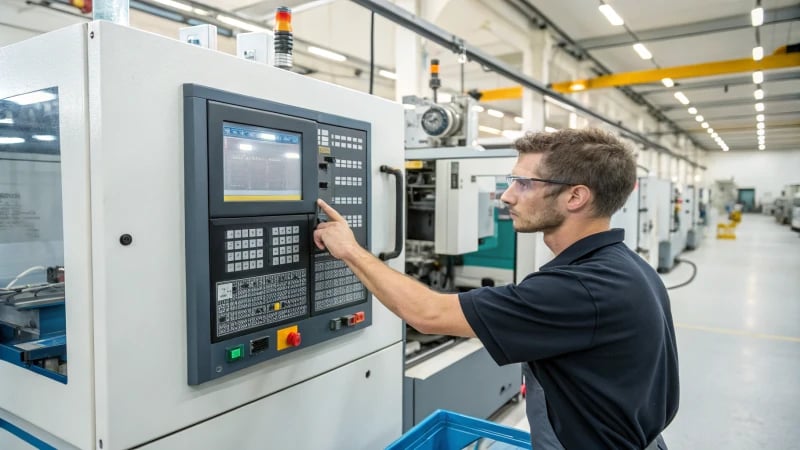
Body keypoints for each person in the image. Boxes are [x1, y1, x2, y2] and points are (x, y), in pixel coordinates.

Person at [313, 128, 679, 450]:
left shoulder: (578, 288)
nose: (506, 196)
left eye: (524, 183)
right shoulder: (629, 266)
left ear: (575, 197)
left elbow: (427, 314)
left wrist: (350, 250)